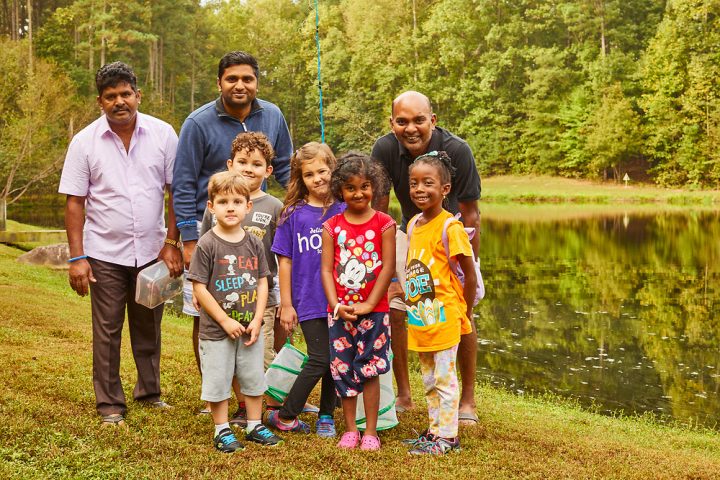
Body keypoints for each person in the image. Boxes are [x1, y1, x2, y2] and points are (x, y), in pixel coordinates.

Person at [59, 61, 182, 427]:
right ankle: (110, 404)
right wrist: (77, 258)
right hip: (104, 254)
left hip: (152, 252)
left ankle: (149, 392)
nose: (119, 102)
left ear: (137, 95)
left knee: (149, 327)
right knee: (107, 331)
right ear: (100, 102)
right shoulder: (84, 142)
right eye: (110, 96)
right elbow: (74, 203)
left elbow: (176, 192)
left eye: (125, 94)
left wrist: (172, 241)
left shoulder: (163, 134)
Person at [172, 50, 293, 417]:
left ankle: (270, 393)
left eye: (247, 79)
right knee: (206, 313)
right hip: (210, 233)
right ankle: (217, 394)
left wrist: (306, 208)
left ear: (256, 82)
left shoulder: (272, 115)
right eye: (232, 79)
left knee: (268, 309)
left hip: (258, 240)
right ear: (219, 83)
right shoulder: (197, 123)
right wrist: (189, 240)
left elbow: (286, 168)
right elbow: (183, 183)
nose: (240, 85)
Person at [371, 90, 481, 423]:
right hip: (412, 231)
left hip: (451, 234)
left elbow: (471, 213)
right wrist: (386, 269)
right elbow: (380, 211)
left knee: (459, 312)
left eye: (419, 120)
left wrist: (468, 268)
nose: (411, 128)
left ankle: (467, 399)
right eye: (402, 121)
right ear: (392, 123)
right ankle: (404, 394)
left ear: (432, 120)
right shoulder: (384, 149)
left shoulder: (458, 150)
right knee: (396, 306)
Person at [188, 171, 283, 452]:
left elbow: (263, 280)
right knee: (218, 378)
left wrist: (257, 318)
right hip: (217, 330)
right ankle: (222, 429)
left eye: (237, 202)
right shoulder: (207, 243)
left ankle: (254, 425)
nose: (230, 208)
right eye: (223, 202)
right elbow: (199, 287)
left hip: (250, 327)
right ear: (211, 207)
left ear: (248, 206)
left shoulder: (253, 242)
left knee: (253, 377)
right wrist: (224, 320)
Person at [266, 142, 344, 437]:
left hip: (342, 299)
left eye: (322, 171)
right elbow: (284, 262)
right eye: (309, 174)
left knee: (336, 357)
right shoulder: (293, 214)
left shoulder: (345, 209)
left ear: (333, 169)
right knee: (320, 357)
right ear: (301, 179)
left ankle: (326, 415)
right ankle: (285, 415)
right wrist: (286, 304)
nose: (317, 178)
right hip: (308, 298)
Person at [403, 151, 477, 455]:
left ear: (445, 189)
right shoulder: (413, 224)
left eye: (428, 183)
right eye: (414, 183)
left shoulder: (451, 227)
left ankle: (449, 437)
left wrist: (465, 311)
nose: (419, 189)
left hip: (445, 316)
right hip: (421, 318)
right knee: (429, 379)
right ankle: (435, 431)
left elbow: (469, 275)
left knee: (445, 380)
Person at [320, 153, 395, 451]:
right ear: (340, 190)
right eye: (350, 188)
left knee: (370, 368)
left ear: (374, 186)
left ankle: (371, 431)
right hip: (340, 312)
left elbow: (387, 268)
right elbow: (326, 269)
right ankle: (351, 429)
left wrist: (369, 305)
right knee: (343, 368)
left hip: (374, 312)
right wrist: (336, 305)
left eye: (364, 186)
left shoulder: (384, 223)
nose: (359, 193)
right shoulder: (332, 226)